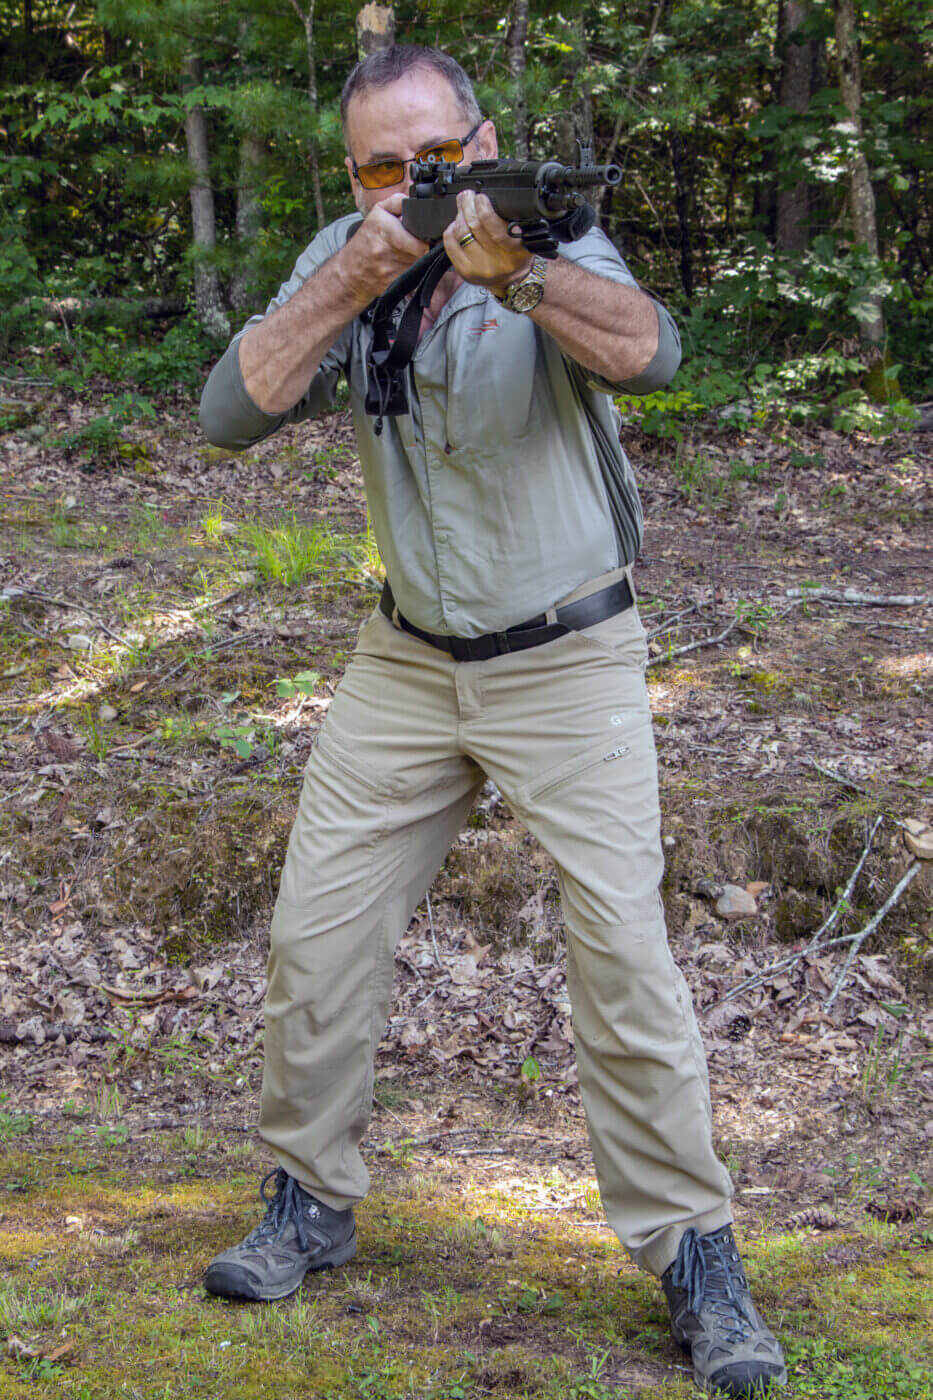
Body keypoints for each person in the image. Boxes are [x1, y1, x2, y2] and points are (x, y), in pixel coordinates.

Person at [198, 44, 786, 1398]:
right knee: (317, 933)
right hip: (403, 658)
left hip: (566, 658)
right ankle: (309, 1199)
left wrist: (511, 269)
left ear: (484, 138)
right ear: (356, 173)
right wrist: (359, 269)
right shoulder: (342, 255)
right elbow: (231, 410)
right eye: (384, 167)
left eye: (439, 157)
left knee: (625, 959)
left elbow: (650, 355)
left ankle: (694, 1253)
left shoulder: (557, 244)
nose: (418, 184)